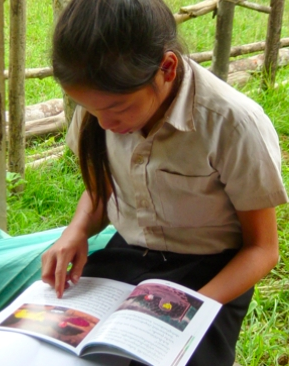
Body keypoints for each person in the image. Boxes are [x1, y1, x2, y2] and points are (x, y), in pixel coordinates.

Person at [41, 0, 288, 365]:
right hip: (130, 253)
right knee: (61, 348)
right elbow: (101, 191)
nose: (104, 123)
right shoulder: (100, 111)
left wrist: (188, 311)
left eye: (118, 109)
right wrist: (76, 231)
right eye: (92, 110)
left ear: (167, 68)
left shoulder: (232, 124)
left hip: (212, 271)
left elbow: (263, 250)